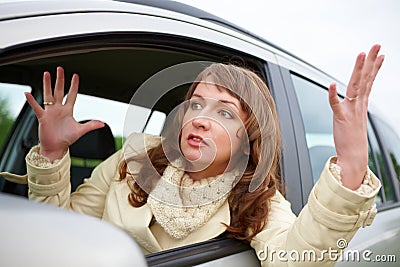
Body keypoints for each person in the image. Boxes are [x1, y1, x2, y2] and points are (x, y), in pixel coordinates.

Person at [1, 45, 383, 266]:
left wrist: (350, 164)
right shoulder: (131, 161)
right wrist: (52, 152)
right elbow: (59, 233)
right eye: (196, 104)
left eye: (224, 112)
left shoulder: (258, 203)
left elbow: (299, 261)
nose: (200, 119)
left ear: (248, 136)